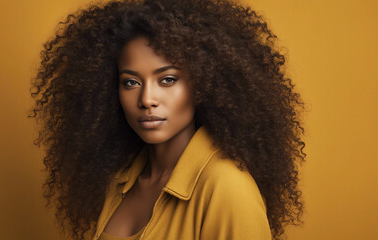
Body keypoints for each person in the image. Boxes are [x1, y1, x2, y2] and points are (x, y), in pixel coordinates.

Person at [28, 0, 306, 239]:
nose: (147, 99)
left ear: (204, 83)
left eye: (168, 79)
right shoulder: (120, 180)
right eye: (131, 82)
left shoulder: (228, 188)